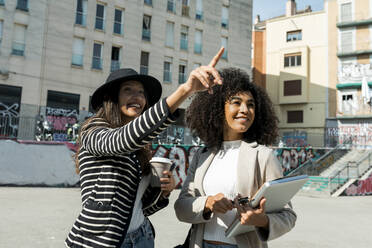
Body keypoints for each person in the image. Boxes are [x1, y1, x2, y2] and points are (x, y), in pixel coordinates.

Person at [65, 48, 225, 248]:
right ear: (112, 98)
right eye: (128, 90)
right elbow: (121, 141)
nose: (138, 97)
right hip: (101, 240)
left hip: (141, 237)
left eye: (141, 93)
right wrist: (186, 90)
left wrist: (163, 191)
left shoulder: (139, 146)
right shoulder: (93, 130)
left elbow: (141, 207)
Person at [174, 67, 297, 248]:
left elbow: (287, 215)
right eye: (236, 102)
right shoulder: (202, 156)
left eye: (251, 104)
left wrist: (261, 220)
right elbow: (182, 208)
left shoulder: (263, 156)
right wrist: (207, 203)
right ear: (218, 107)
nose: (245, 110)